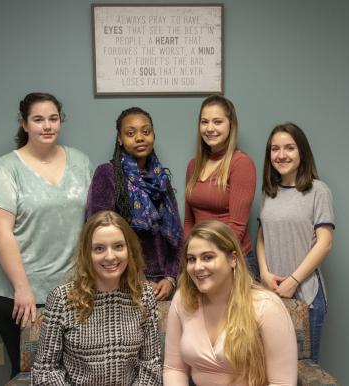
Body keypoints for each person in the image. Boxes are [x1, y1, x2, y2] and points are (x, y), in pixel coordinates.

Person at [0, 92, 93, 378]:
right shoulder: (6, 169)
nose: (47, 126)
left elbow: (94, 221)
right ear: (24, 124)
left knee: (73, 374)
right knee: (29, 375)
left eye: (53, 119)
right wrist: (22, 288)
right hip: (18, 294)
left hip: (70, 292)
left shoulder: (80, 162)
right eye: (38, 119)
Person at [31, 211, 162, 385]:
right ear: (87, 253)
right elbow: (45, 370)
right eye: (99, 248)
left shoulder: (144, 297)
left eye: (118, 246)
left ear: (129, 250)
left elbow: (151, 366)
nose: (110, 256)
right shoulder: (62, 299)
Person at [164, 220, 297, 386]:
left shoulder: (267, 306)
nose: (197, 267)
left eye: (208, 257)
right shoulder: (182, 300)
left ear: (233, 259)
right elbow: (174, 368)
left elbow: (282, 383)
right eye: (191, 259)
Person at [86, 107, 183, 301]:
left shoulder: (161, 179)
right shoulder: (107, 174)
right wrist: (137, 278)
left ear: (153, 135)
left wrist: (171, 278)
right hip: (122, 281)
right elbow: (98, 234)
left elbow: (177, 235)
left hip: (164, 284)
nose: (139, 138)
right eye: (131, 133)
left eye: (146, 131)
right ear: (120, 139)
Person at [257, 122, 334, 363]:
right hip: (272, 292)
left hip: (306, 294)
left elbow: (325, 242)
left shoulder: (318, 191)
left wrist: (293, 280)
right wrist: (264, 273)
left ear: (302, 151)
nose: (281, 155)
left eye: (289, 148)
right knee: (272, 367)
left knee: (305, 368)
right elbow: (261, 235)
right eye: (275, 149)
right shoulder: (269, 192)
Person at [184, 95, 259, 279]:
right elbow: (188, 222)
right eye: (204, 122)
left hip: (233, 260)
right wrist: (192, 258)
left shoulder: (241, 163)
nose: (210, 128)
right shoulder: (193, 166)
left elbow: (237, 227)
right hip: (201, 262)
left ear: (231, 125)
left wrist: (209, 257)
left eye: (217, 122)